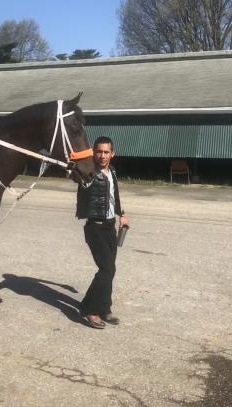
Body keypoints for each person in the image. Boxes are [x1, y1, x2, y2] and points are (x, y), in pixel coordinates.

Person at [76, 136, 129, 329]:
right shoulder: (87, 173)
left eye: (106, 152)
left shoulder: (112, 172)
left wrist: (121, 214)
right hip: (94, 227)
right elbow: (78, 178)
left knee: (110, 269)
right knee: (107, 269)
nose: (102, 155)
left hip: (109, 226)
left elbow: (115, 196)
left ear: (112, 154)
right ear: (93, 153)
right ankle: (90, 309)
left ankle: (105, 308)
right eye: (98, 151)